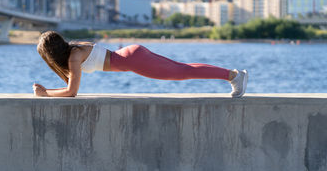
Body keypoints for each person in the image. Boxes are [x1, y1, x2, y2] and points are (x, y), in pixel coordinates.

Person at [33, 31, 248, 98]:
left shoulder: (74, 57)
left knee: (182, 72)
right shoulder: (75, 50)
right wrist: (47, 91)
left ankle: (234, 76)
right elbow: (71, 86)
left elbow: (72, 92)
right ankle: (233, 75)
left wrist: (45, 94)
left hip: (133, 59)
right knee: (182, 69)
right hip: (132, 55)